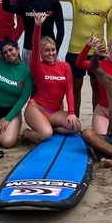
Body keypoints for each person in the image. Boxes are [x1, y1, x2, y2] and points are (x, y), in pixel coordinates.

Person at [56, 0, 112, 116]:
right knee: (75, 86)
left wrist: (109, 49)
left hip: (98, 50)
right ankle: (74, 120)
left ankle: (97, 121)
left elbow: (110, 25)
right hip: (76, 48)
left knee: (97, 87)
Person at [22, 13, 81, 143]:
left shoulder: (65, 66)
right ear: (41, 53)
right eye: (47, 50)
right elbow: (35, 46)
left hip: (54, 112)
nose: (51, 53)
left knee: (75, 127)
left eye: (53, 50)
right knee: (45, 134)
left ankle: (48, 125)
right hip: (37, 108)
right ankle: (27, 134)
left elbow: (70, 90)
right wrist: (38, 27)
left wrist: (71, 112)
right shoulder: (37, 66)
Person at [2, 0, 64, 65]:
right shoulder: (24, 4)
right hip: (29, 49)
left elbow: (61, 30)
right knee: (30, 79)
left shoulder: (54, 3)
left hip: (49, 50)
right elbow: (6, 7)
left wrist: (56, 50)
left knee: (50, 80)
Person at [75, 32, 112, 133]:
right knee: (103, 142)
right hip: (103, 112)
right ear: (109, 46)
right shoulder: (100, 65)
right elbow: (79, 63)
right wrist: (88, 46)